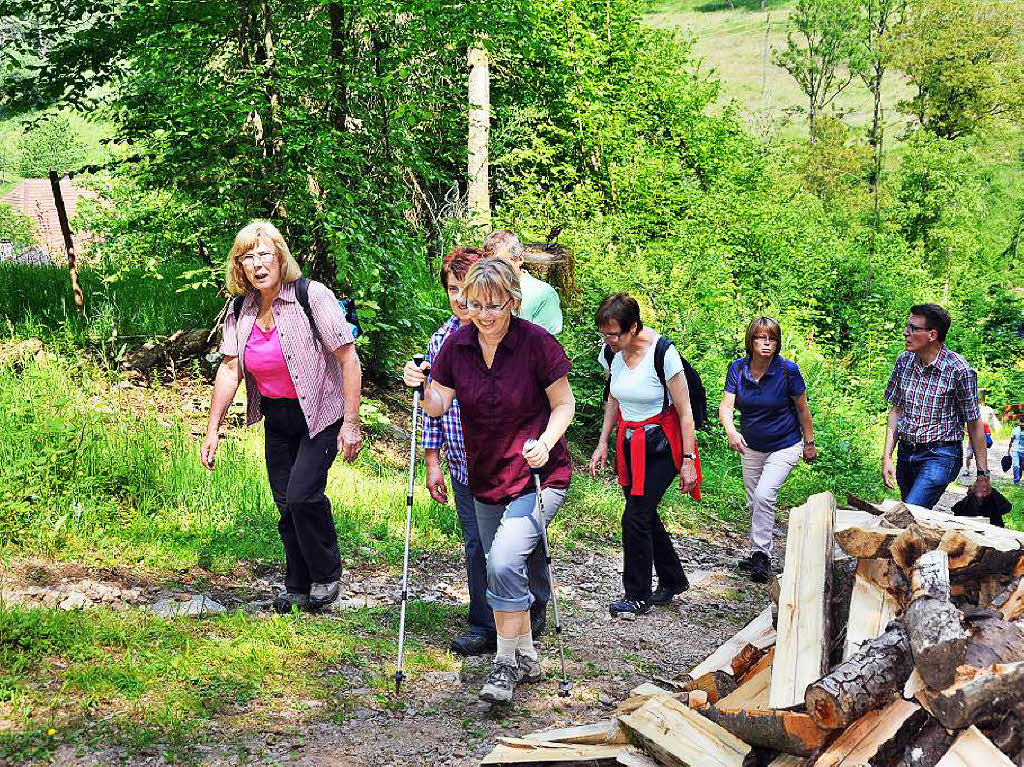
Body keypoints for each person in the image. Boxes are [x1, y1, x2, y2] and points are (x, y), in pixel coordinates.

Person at [402, 257, 574, 705]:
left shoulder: (537, 344)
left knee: (501, 562)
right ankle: (528, 653)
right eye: (475, 303)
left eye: (494, 305)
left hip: (539, 475)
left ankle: (504, 663)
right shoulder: (458, 345)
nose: (484, 313)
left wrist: (547, 439)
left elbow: (564, 405)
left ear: (513, 301)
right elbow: (438, 404)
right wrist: (421, 385)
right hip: (485, 475)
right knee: (503, 564)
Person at [200, 221, 362, 613]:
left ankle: (326, 573)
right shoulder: (241, 308)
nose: (257, 264)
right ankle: (297, 584)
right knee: (285, 503)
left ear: (280, 256)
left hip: (321, 412)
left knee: (303, 496)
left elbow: (348, 358)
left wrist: (352, 423)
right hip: (278, 415)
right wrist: (213, 429)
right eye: (247, 257)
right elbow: (229, 369)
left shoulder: (311, 296)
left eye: (264, 254)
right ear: (239, 266)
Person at [420, 247, 550, 656]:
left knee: (519, 546)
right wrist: (432, 462)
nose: (461, 300)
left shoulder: (521, 339)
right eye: (454, 291)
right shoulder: (442, 342)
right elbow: (433, 408)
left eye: (468, 291)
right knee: (479, 546)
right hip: (464, 462)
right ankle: (484, 623)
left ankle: (533, 610)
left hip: (513, 462)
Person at [588, 293, 697, 617]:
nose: (608, 340)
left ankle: (636, 595)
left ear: (633, 327)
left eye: (614, 334)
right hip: (628, 443)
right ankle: (673, 579)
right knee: (644, 513)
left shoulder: (663, 354)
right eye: (604, 334)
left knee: (634, 516)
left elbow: (685, 411)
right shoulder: (611, 354)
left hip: (662, 446)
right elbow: (613, 400)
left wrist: (689, 461)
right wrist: (603, 442)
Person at [719, 317, 816, 584]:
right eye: (761, 338)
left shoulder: (787, 370)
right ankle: (756, 551)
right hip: (751, 445)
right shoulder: (738, 369)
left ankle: (762, 556)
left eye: (771, 339)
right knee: (754, 502)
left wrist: (809, 443)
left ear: (777, 343)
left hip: (785, 444)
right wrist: (731, 430)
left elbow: (802, 408)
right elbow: (726, 407)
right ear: (751, 341)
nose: (766, 343)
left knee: (763, 495)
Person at [882, 303, 990, 508]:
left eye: (913, 328)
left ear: (932, 335)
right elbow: (896, 410)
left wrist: (983, 474)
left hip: (941, 456)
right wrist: (887, 456)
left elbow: (974, 423)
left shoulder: (959, 370)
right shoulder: (904, 362)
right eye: (907, 326)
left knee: (910, 511)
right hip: (906, 453)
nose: (906, 332)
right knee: (912, 520)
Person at [483, 229, 563, 334]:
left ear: (519, 259)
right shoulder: (481, 290)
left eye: (502, 264)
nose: (495, 271)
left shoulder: (543, 295)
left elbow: (543, 345)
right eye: (490, 264)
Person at [964, 390, 999, 474]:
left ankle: (971, 470)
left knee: (972, 453)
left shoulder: (976, 408)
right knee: (980, 452)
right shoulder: (987, 409)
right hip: (977, 434)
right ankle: (981, 470)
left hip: (978, 434)